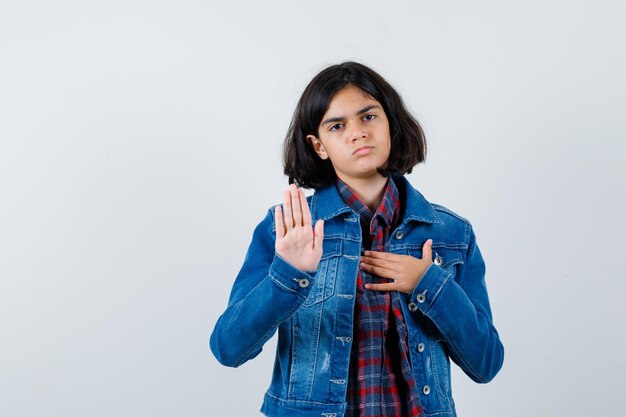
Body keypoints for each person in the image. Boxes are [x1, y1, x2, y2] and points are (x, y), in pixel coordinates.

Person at [209, 62, 504, 417]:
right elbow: (228, 348)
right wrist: (289, 275)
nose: (357, 133)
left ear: (391, 125)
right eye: (338, 125)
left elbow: (486, 363)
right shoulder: (284, 229)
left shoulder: (451, 234)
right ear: (318, 146)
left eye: (368, 117)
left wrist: (430, 284)